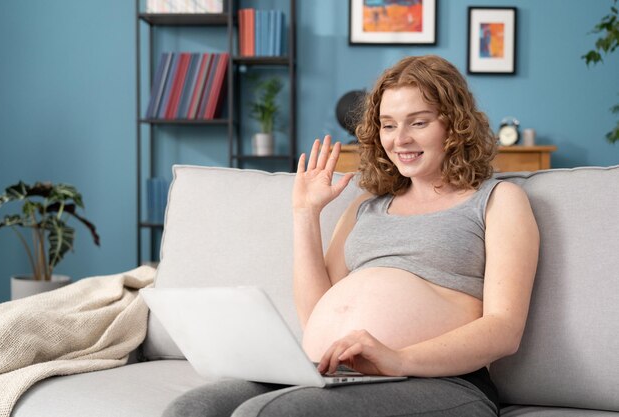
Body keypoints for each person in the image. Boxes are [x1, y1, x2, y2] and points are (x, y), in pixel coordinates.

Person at [163, 55, 539, 417]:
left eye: (418, 123)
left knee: (269, 413)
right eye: (389, 125)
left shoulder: (497, 201)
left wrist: (398, 359)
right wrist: (305, 213)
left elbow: (504, 330)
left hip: (441, 379)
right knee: (192, 409)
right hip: (326, 371)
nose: (400, 139)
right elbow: (315, 315)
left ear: (455, 125)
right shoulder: (365, 207)